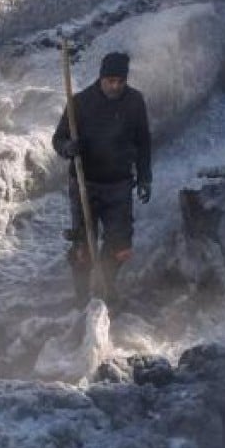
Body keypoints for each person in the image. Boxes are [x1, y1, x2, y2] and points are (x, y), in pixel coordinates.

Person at [52, 51, 153, 305]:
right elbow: (59, 139)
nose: (115, 86)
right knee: (83, 249)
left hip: (119, 184)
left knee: (120, 247)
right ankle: (82, 298)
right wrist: (68, 148)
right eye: (110, 81)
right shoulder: (80, 102)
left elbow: (143, 142)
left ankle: (106, 286)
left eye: (120, 81)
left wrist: (145, 177)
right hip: (85, 184)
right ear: (101, 78)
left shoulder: (135, 101)